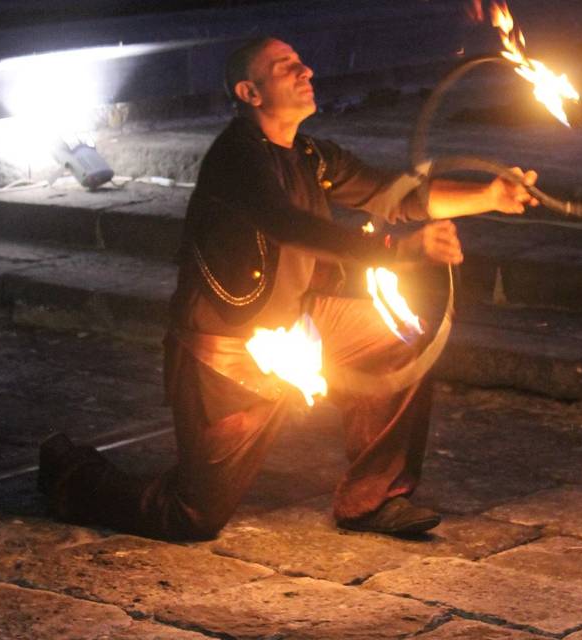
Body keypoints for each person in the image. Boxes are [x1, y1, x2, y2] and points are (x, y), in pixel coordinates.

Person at [38, 36, 538, 540]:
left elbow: (393, 195)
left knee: (402, 336)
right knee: (191, 515)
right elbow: (289, 225)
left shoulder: (310, 156)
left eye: (302, 63)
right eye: (287, 67)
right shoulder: (235, 157)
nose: (307, 72)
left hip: (304, 323)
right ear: (250, 92)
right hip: (230, 348)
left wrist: (490, 194)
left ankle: (373, 498)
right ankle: (70, 474)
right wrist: (398, 253)